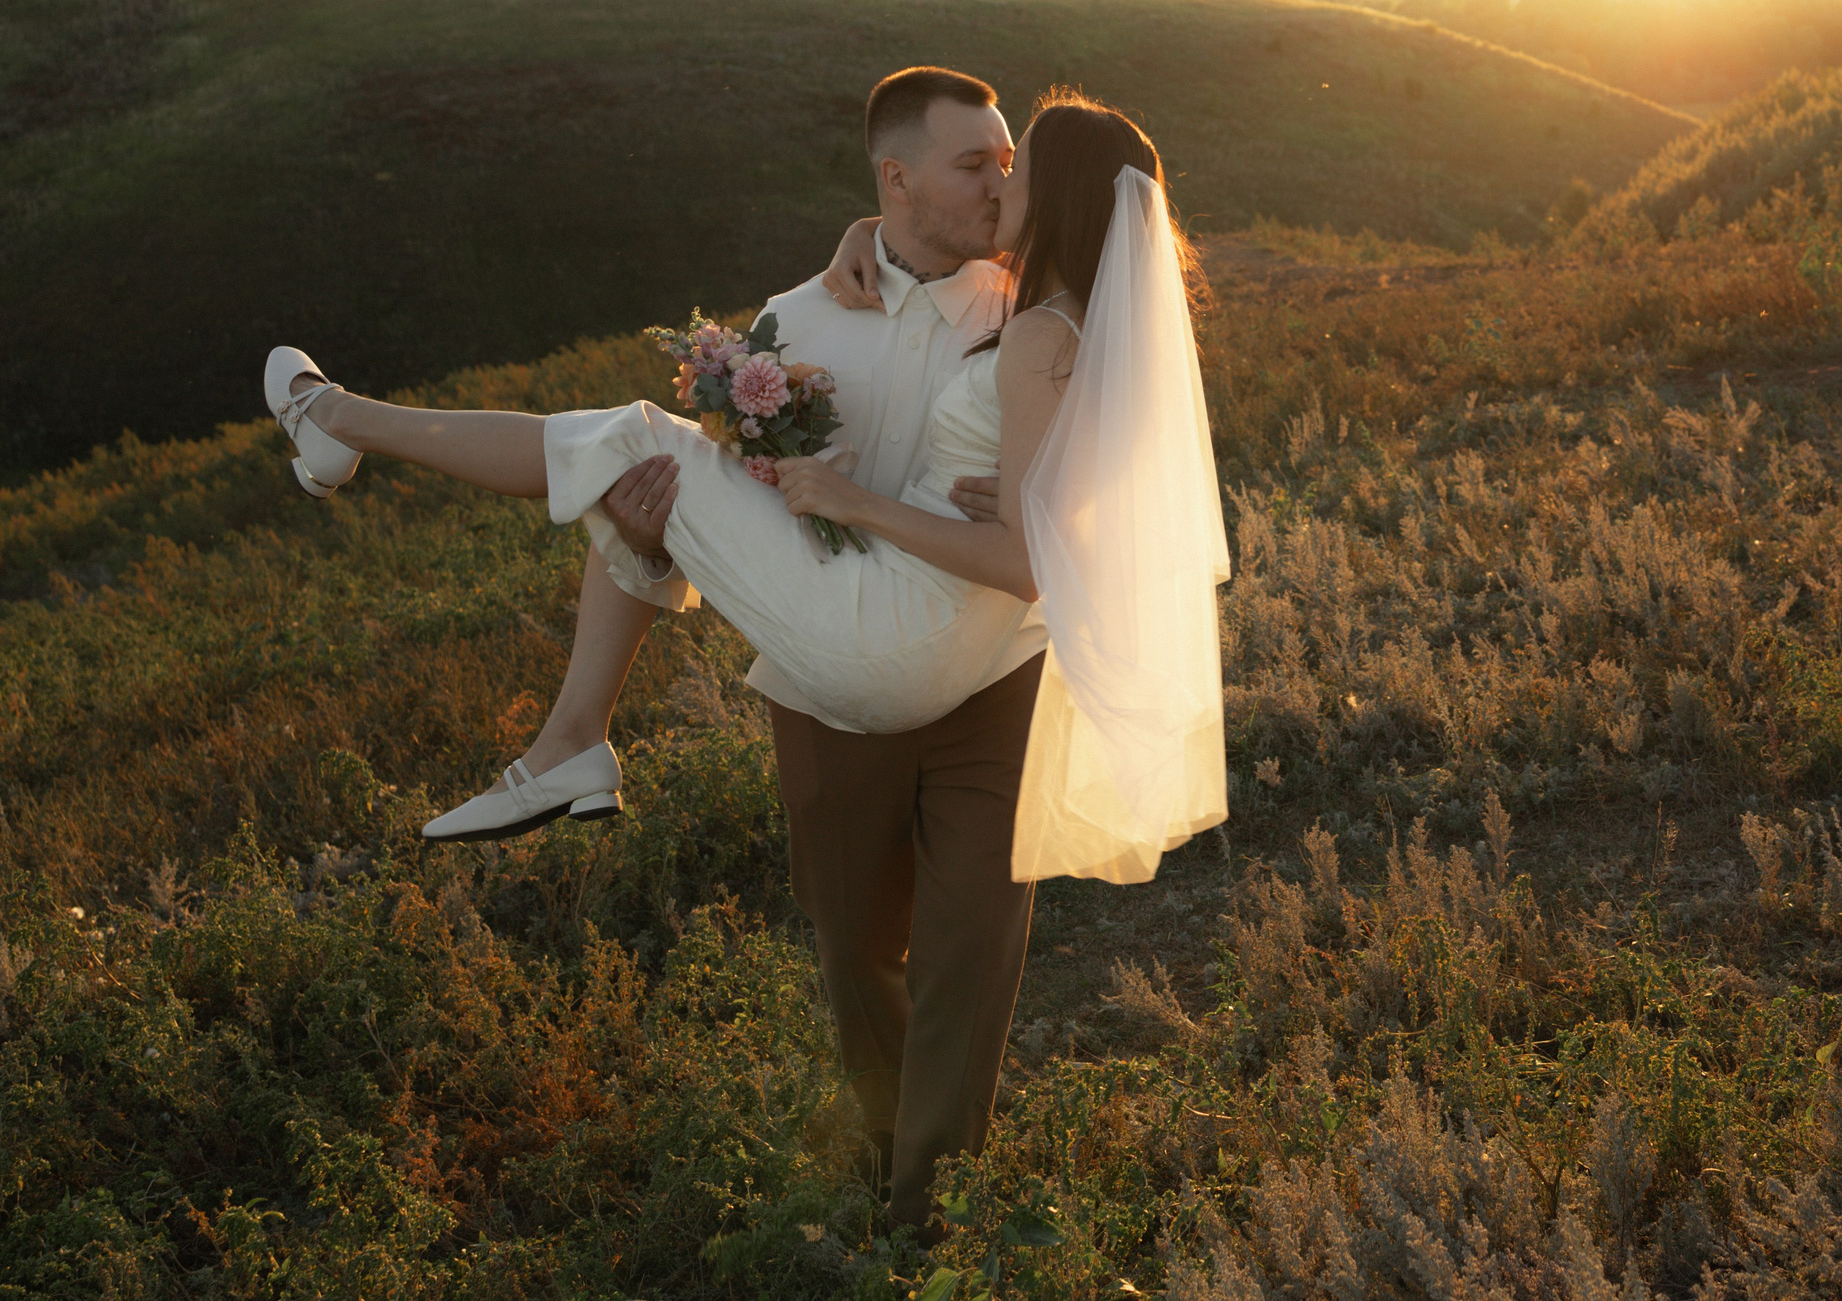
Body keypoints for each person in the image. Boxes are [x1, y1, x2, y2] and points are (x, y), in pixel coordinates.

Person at [260, 74, 1228, 1224]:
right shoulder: (809, 313)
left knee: (972, 952)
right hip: (850, 647)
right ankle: (891, 1182)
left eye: (1012, 164)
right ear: (893, 181)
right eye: (975, 165)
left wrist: (976, 509)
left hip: (967, 659)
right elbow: (760, 496)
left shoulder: (1018, 306)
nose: (999, 181)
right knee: (852, 942)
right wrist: (661, 520)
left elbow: (1053, 519)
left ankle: (344, 431)